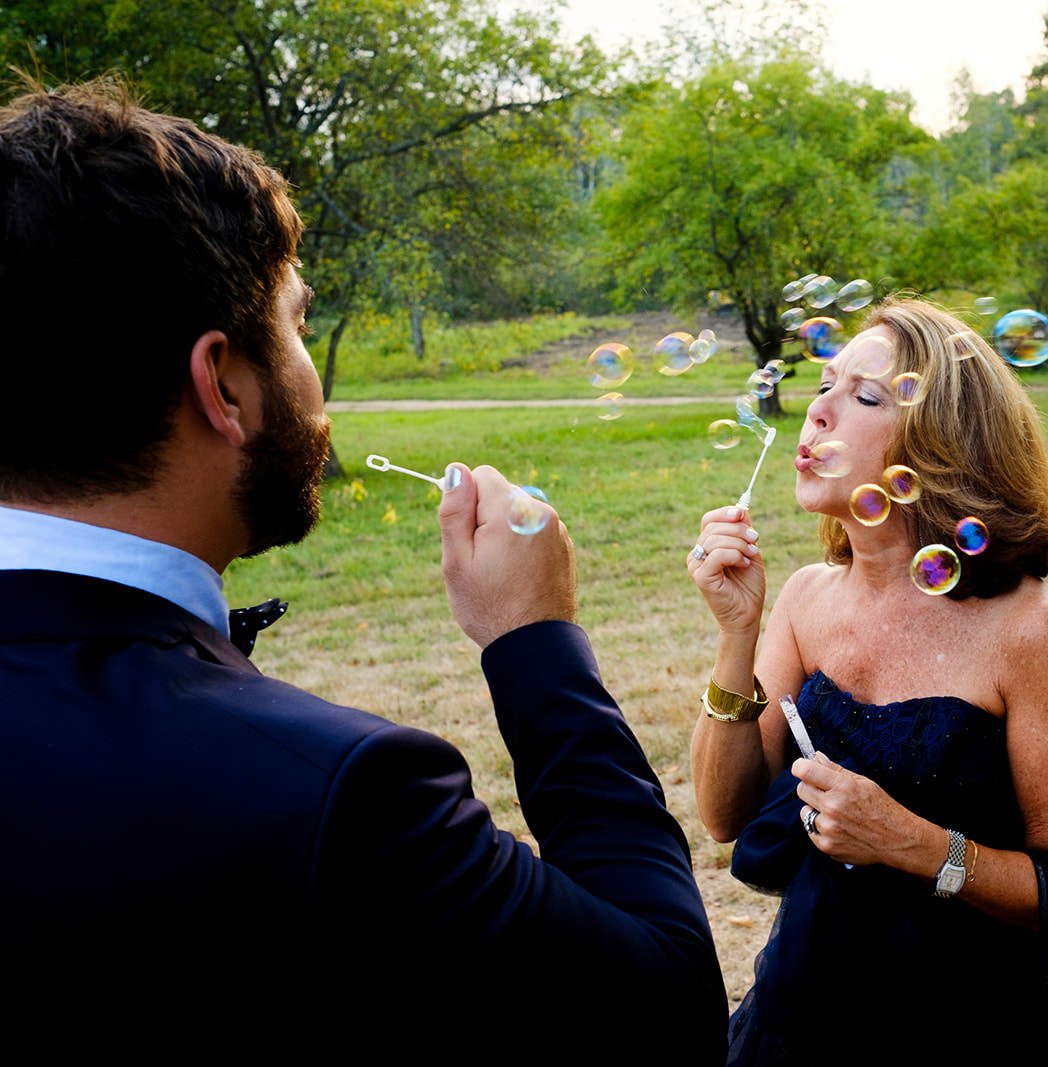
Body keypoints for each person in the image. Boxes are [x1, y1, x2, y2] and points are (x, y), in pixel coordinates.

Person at [0, 78, 727, 1052]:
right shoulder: (337, 793)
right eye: (297, 323)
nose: (312, 373)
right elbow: (663, 1009)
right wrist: (537, 643)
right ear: (222, 381)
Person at [686, 298, 1048, 1064]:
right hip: (809, 1018)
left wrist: (919, 846)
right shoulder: (804, 600)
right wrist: (738, 632)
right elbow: (723, 813)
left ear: (937, 446)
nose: (819, 411)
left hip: (983, 1028)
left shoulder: (1031, 631)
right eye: (825, 384)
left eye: (864, 396)